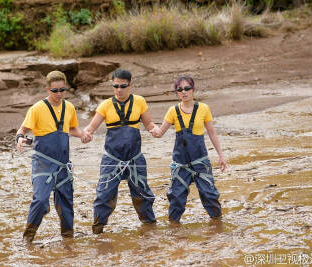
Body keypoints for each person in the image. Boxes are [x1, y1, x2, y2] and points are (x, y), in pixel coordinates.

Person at [16, 70, 90, 242]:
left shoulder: (69, 107)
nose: (59, 94)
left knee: (66, 205)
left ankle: (68, 240)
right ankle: (27, 240)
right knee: (41, 201)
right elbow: (22, 130)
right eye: (55, 90)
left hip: (63, 164)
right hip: (42, 163)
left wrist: (83, 135)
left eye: (62, 90)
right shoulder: (36, 109)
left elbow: (72, 129)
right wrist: (20, 139)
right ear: (47, 89)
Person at [83, 69, 158, 234]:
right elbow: (91, 127)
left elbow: (149, 124)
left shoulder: (140, 102)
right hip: (111, 160)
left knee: (143, 195)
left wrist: (155, 130)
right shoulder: (105, 105)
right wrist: (86, 134)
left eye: (123, 86)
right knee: (103, 195)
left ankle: (150, 228)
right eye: (115, 86)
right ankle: (98, 231)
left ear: (130, 84)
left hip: (135, 159)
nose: (119, 90)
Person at [150, 74, 226, 223]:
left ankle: (217, 224)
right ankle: (174, 229)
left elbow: (212, 132)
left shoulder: (203, 108)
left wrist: (221, 156)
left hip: (200, 162)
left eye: (187, 88)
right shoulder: (173, 111)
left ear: (193, 89)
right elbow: (160, 132)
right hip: (180, 164)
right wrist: (153, 130)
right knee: (176, 198)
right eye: (180, 89)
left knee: (209, 194)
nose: (183, 92)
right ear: (177, 92)